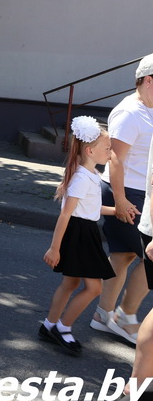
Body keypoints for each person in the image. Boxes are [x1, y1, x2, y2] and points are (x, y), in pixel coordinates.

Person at [39, 116, 115, 356]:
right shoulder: (82, 177)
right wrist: (54, 248)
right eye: (107, 148)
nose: (110, 152)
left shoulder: (91, 174)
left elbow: (90, 208)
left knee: (70, 283)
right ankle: (63, 327)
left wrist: (117, 211)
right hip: (79, 234)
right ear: (90, 151)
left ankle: (48, 325)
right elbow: (66, 214)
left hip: (85, 231)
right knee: (94, 288)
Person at [91, 55, 153, 345]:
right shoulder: (130, 112)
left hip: (141, 193)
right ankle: (125, 316)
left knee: (123, 255)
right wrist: (120, 200)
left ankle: (103, 314)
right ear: (149, 80)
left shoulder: (148, 109)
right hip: (128, 193)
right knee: (148, 256)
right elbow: (115, 159)